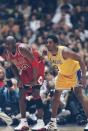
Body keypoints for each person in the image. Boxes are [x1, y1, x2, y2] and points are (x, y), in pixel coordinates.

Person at [0, 36, 45, 130]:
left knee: (36, 93)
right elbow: (12, 66)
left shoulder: (22, 48)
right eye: (6, 44)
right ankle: (24, 123)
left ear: (14, 43)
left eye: (9, 44)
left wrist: (34, 78)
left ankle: (41, 123)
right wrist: (19, 79)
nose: (7, 46)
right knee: (21, 94)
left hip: (37, 68)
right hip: (25, 70)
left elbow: (35, 63)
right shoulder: (8, 52)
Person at [44, 34, 87, 130]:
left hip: (75, 71)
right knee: (56, 96)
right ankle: (53, 123)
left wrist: (83, 76)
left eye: (50, 42)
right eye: (47, 42)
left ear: (56, 44)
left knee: (79, 95)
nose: (47, 44)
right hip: (63, 74)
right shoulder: (47, 52)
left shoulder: (64, 51)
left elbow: (80, 58)